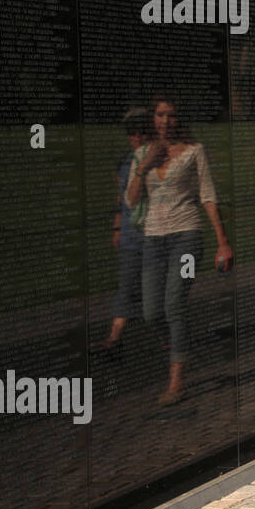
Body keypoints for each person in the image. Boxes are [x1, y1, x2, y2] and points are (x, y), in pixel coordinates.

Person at [125, 95, 232, 406]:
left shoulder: (194, 152)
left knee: (174, 305)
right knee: (150, 313)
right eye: (160, 115)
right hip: (153, 239)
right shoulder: (142, 154)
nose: (165, 121)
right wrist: (145, 165)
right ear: (153, 118)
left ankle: (176, 382)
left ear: (178, 119)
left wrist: (222, 242)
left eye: (171, 115)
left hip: (186, 236)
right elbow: (131, 200)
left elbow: (208, 196)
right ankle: (176, 342)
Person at [101, 108, 155, 349]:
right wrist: (116, 229)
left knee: (155, 291)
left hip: (156, 235)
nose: (136, 137)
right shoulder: (124, 163)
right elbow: (120, 200)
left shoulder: (158, 160)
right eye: (131, 132)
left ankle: (167, 336)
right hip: (131, 238)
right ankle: (115, 337)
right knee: (126, 286)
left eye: (141, 131)